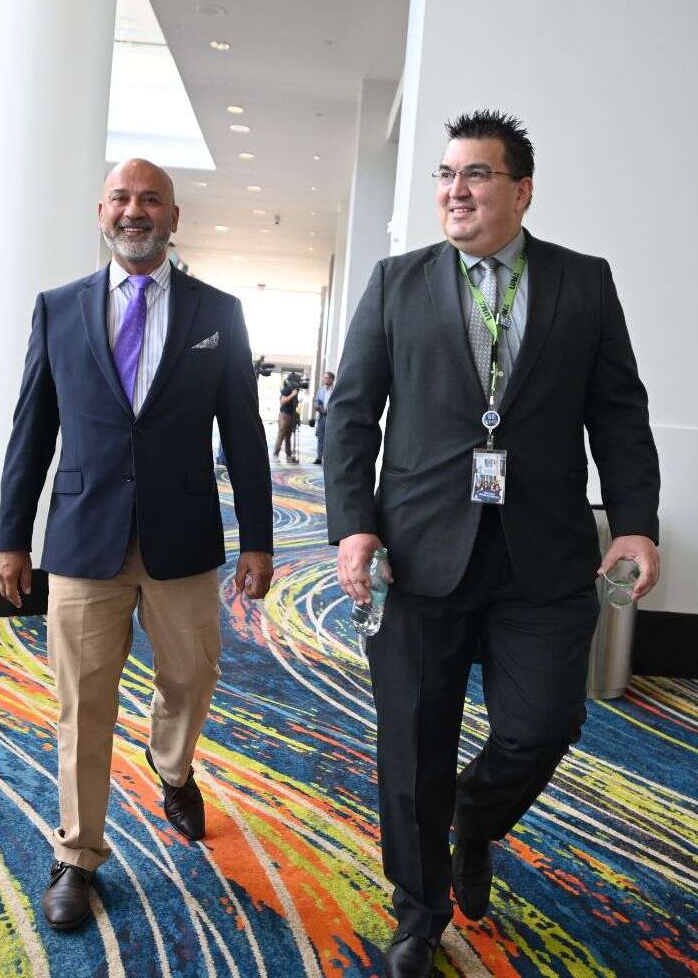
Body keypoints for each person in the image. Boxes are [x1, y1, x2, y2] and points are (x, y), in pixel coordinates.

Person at [324, 111, 661, 977]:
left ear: (522, 190)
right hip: (418, 550)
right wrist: (354, 523)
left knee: (545, 724)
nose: (456, 191)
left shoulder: (583, 283)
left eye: (476, 174)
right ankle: (418, 911)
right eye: (445, 175)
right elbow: (351, 414)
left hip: (541, 553)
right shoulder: (397, 282)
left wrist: (635, 521)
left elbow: (618, 413)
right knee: (412, 742)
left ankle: (474, 816)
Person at [0, 158, 275, 932]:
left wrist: (258, 538)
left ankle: (172, 765)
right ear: (101, 212)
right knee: (81, 704)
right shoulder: (58, 309)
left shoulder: (218, 312)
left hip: (183, 538)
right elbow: (32, 429)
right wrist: (12, 536)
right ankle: (77, 854)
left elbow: (244, 431)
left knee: (192, 676)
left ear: (174, 218)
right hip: (85, 539)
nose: (134, 210)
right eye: (120, 197)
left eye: (151, 199)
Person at [273, 373, 301, 464]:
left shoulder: (294, 390)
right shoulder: (286, 389)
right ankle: (276, 454)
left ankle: (288, 455)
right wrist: (292, 395)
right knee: (281, 434)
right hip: (284, 415)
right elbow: (283, 401)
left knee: (288, 437)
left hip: (292, 415)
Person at [312, 371, 334, 464]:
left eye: (327, 378)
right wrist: (318, 407)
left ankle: (328, 458)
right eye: (324, 378)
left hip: (332, 417)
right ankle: (319, 457)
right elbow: (316, 400)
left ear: (332, 379)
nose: (324, 379)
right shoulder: (321, 389)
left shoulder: (335, 390)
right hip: (322, 416)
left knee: (330, 437)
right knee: (320, 436)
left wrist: (329, 410)